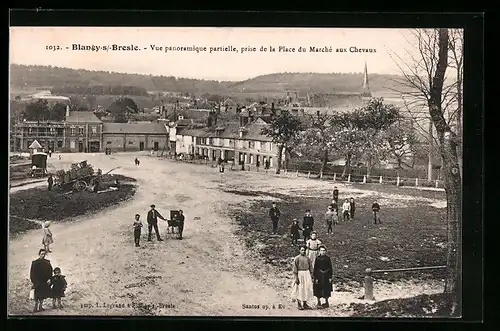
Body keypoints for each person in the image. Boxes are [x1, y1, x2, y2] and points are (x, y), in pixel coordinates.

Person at [290, 246, 314, 310]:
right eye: (302, 250)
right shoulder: (297, 258)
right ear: (299, 250)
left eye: (304, 250)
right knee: (300, 289)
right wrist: (296, 278)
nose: (303, 251)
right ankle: (299, 304)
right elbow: (295, 269)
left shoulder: (308, 258)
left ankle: (305, 303)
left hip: (307, 274)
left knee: (306, 289)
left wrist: (311, 275)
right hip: (300, 274)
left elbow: (311, 267)